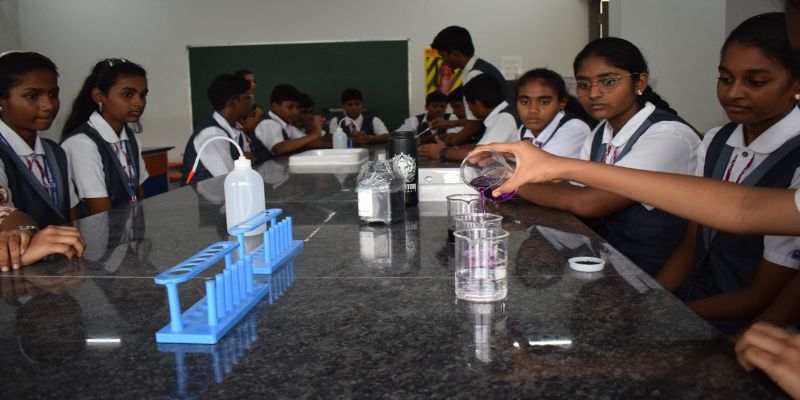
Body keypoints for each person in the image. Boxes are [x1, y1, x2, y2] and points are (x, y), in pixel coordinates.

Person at [655, 13, 800, 333]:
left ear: (795, 84)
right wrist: (655, 301)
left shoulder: (795, 157)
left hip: (754, 324)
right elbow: (691, 246)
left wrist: (672, 316)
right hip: (696, 299)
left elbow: (759, 295)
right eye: (725, 78)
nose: (733, 93)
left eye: (755, 82)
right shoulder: (717, 140)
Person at [516, 37, 700, 276]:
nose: (594, 93)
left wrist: (512, 182)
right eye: (584, 85)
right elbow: (571, 190)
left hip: (654, 271)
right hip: (612, 261)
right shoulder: (601, 132)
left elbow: (588, 202)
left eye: (608, 81)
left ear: (639, 82)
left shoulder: (667, 135)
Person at [61, 58, 150, 216]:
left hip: (127, 229)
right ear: (98, 96)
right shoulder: (82, 143)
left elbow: (138, 191)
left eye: (142, 95)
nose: (139, 103)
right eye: (128, 94)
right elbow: (101, 213)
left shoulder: (130, 138)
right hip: (100, 229)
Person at [0, 51, 79, 226]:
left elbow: (70, 213)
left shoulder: (54, 151)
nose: (48, 105)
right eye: (32, 96)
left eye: (53, 95)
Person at [428, 26, 516, 147]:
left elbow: (474, 125)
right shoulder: (481, 66)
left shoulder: (474, 74)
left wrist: (447, 146)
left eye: (443, 56)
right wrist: (450, 124)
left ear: (455, 53)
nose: (443, 61)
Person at [419, 74, 517, 162]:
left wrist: (441, 152)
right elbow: (479, 146)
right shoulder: (502, 114)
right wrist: (450, 150)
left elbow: (479, 154)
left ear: (478, 104)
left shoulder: (503, 118)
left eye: (469, 105)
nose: (469, 109)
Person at [180, 74, 253, 184]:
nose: (252, 103)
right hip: (203, 195)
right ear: (233, 102)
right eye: (248, 98)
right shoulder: (212, 135)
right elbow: (231, 180)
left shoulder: (235, 129)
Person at [515, 68, 592, 158]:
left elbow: (540, 164)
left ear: (562, 103)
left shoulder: (575, 129)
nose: (533, 110)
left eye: (544, 102)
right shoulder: (523, 129)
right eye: (524, 102)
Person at [254, 84, 327, 156]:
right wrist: (315, 134)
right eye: (290, 107)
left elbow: (309, 143)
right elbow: (278, 148)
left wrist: (316, 129)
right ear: (275, 106)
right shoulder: (268, 123)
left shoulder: (286, 125)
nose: (295, 112)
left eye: (297, 108)